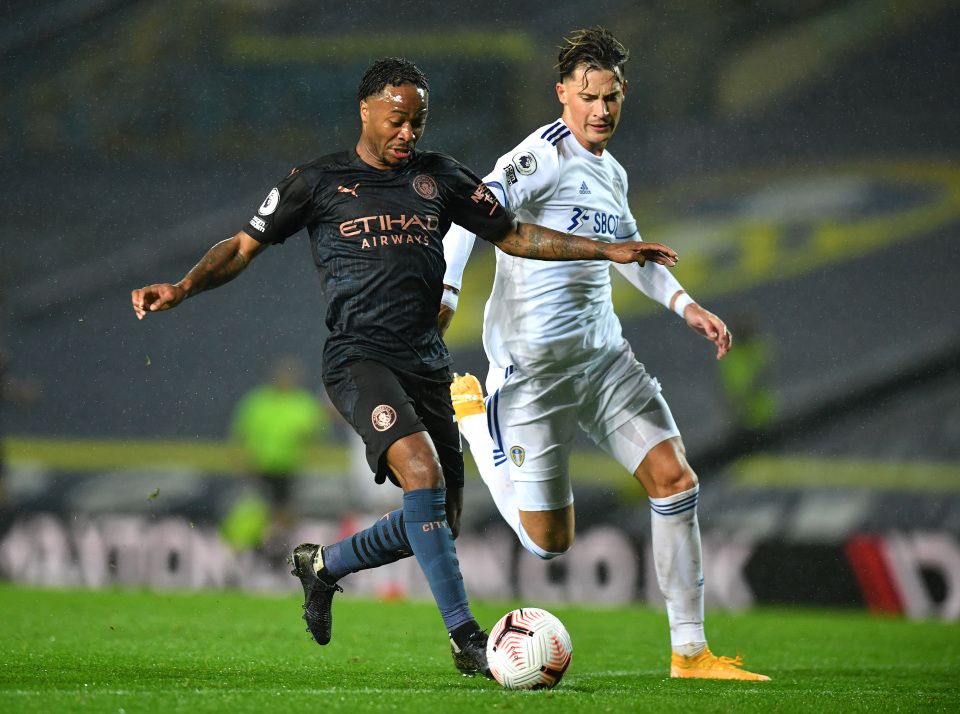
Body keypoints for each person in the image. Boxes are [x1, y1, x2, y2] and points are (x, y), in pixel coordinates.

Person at [130, 56, 678, 678]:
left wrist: (605, 250)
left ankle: (323, 567)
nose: (408, 132)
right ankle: (466, 639)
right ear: (365, 111)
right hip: (359, 358)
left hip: (426, 362)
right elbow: (240, 247)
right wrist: (182, 287)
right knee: (421, 473)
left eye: (417, 121)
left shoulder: (439, 177)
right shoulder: (317, 182)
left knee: (439, 520)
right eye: (397, 119)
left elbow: (515, 234)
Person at [442, 28, 769, 681]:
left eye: (611, 97)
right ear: (562, 94)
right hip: (533, 374)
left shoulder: (612, 172)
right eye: (588, 97)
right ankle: (476, 424)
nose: (601, 110)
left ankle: (690, 653)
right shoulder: (538, 158)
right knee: (548, 544)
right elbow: (465, 214)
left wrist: (687, 306)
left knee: (676, 481)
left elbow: (633, 253)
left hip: (603, 360)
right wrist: (447, 294)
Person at [225, 356, 328, 549]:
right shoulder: (258, 401)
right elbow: (241, 435)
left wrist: (305, 442)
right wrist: (243, 463)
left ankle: (280, 548)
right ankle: (246, 547)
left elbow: (316, 434)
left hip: (288, 469)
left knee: (284, 512)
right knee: (252, 511)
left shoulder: (303, 403)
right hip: (257, 467)